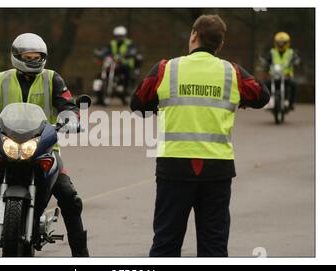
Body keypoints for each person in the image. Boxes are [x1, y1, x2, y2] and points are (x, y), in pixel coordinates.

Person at [130, 15, 270, 257]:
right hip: (217, 169)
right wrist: (239, 100)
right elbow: (262, 96)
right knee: (214, 246)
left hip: (175, 167)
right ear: (220, 44)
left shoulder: (166, 68)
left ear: (193, 35)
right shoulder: (232, 72)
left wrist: (158, 105)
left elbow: (137, 102)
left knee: (166, 243)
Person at [0, 33, 89, 257]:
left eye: (38, 56)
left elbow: (68, 105)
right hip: (5, 144)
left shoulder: (52, 78)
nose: (34, 60)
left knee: (70, 197)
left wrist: (72, 118)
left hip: (43, 148)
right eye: (29, 56)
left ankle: (81, 256)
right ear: (16, 56)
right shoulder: (1, 78)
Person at [94, 26, 140, 105]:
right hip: (113, 65)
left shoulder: (129, 43)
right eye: (117, 36)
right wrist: (100, 54)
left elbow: (133, 51)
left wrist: (129, 54)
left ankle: (126, 89)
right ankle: (100, 98)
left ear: (124, 36)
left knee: (127, 76)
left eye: (121, 36)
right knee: (101, 76)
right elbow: (106, 50)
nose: (119, 38)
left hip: (125, 65)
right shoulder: (112, 43)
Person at [261, 31, 300, 110]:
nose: (281, 44)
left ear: (287, 43)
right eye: (279, 43)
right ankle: (267, 102)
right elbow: (266, 60)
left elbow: (297, 60)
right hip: (274, 76)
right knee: (264, 85)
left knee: (294, 84)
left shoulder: (291, 52)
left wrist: (296, 62)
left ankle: (291, 103)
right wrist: (264, 64)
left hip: (287, 76)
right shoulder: (272, 52)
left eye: (283, 43)